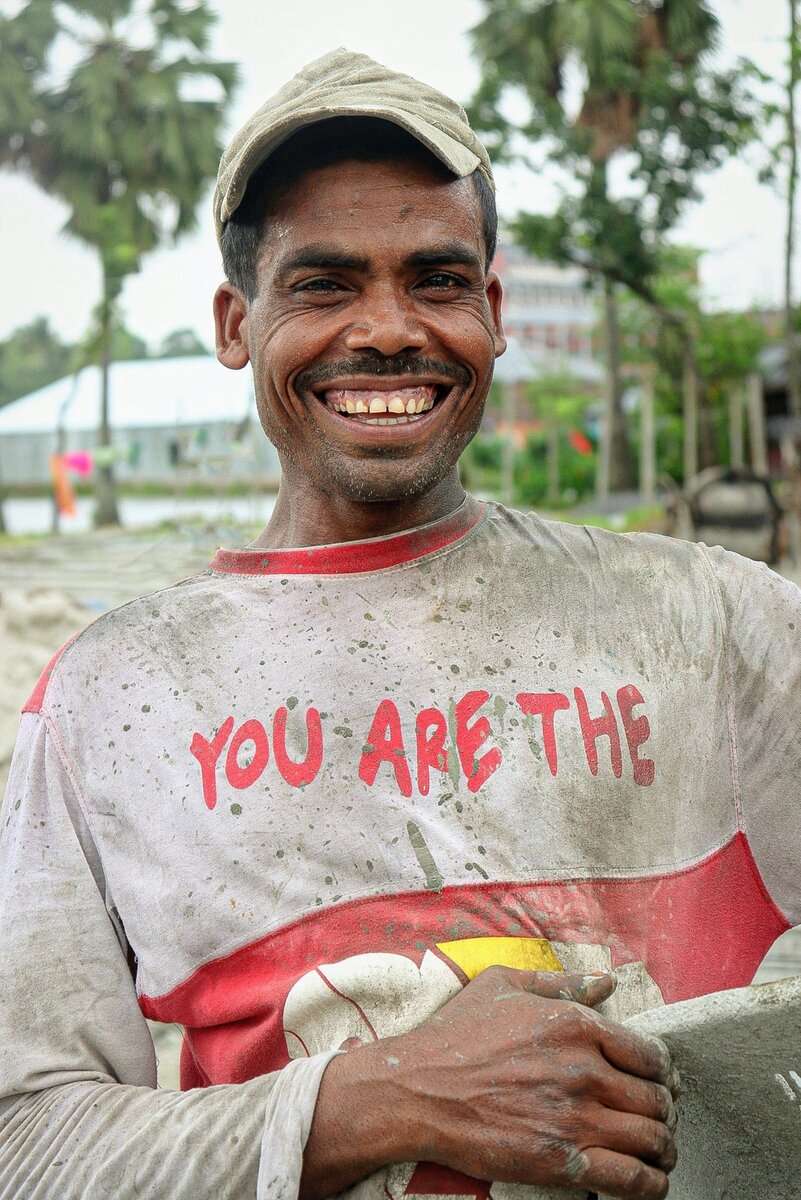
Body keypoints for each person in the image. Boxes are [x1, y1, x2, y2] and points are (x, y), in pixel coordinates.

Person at [0, 47, 798, 1200]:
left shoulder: (717, 624)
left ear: (494, 311)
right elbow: (27, 1141)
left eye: (436, 278)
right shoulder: (111, 701)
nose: (387, 329)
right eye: (323, 284)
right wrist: (370, 1102)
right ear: (235, 324)